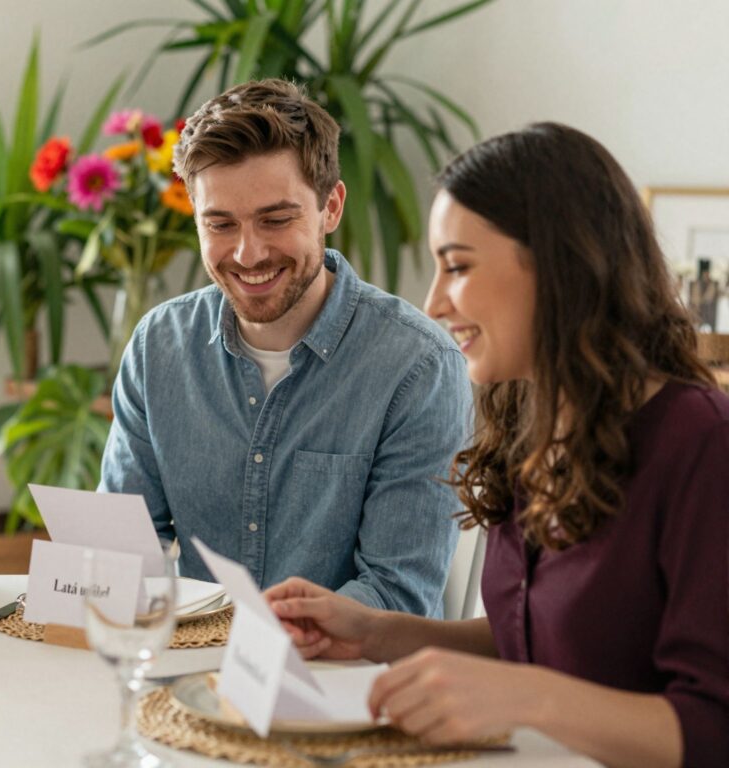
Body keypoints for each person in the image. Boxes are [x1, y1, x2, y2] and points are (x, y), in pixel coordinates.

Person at [266, 122, 729, 767]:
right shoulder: (525, 419)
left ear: (562, 261)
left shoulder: (703, 443)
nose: (432, 301)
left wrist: (526, 700)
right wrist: (376, 633)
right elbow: (537, 640)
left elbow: (713, 726)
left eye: (457, 265)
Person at [99, 79, 472, 614]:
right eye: (221, 224)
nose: (248, 254)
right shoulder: (158, 345)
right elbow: (119, 551)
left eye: (276, 219)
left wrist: (258, 646)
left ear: (331, 208)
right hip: (194, 671)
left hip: (348, 684)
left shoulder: (417, 366)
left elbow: (397, 595)